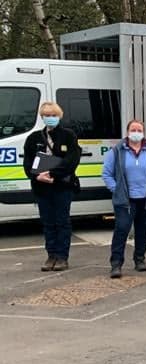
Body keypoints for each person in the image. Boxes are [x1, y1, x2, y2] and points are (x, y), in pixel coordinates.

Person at [102, 120, 146, 278]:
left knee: (142, 230)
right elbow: (107, 174)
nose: (136, 132)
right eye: (133, 129)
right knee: (122, 229)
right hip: (125, 200)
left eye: (139, 130)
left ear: (143, 132)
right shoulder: (117, 151)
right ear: (127, 131)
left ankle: (140, 259)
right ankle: (116, 263)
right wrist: (116, 190)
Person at [22, 101, 82, 271]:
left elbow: (72, 161)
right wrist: (37, 175)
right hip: (42, 188)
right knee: (48, 222)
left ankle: (62, 257)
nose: (50, 118)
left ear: (59, 116)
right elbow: (27, 163)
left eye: (53, 115)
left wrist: (52, 174)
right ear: (42, 117)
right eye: (47, 115)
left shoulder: (68, 135)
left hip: (62, 187)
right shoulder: (33, 138)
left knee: (62, 222)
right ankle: (51, 256)